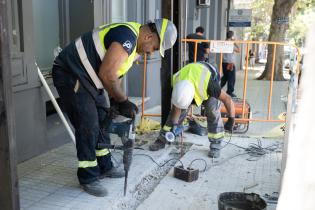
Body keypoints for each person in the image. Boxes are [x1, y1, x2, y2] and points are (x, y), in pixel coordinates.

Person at [52, 19, 177, 197]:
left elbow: (114, 75)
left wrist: (115, 101)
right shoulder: (128, 36)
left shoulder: (134, 49)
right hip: (71, 72)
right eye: (155, 48)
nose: (151, 52)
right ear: (149, 36)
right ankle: (88, 176)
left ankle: (104, 165)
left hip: (90, 79)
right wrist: (123, 100)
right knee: (88, 123)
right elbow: (107, 73)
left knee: (103, 118)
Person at [149, 62, 235, 158]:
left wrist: (231, 119)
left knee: (212, 110)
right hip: (190, 77)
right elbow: (177, 107)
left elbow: (227, 99)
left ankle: (216, 144)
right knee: (177, 111)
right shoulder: (176, 82)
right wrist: (174, 125)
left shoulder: (210, 85)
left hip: (209, 74)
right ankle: (163, 138)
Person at [221, 30, 240, 98]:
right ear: (232, 36)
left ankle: (218, 87)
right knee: (231, 78)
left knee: (225, 77)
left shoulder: (224, 42)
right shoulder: (231, 44)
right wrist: (235, 42)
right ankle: (229, 92)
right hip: (230, 63)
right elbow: (238, 50)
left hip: (224, 62)